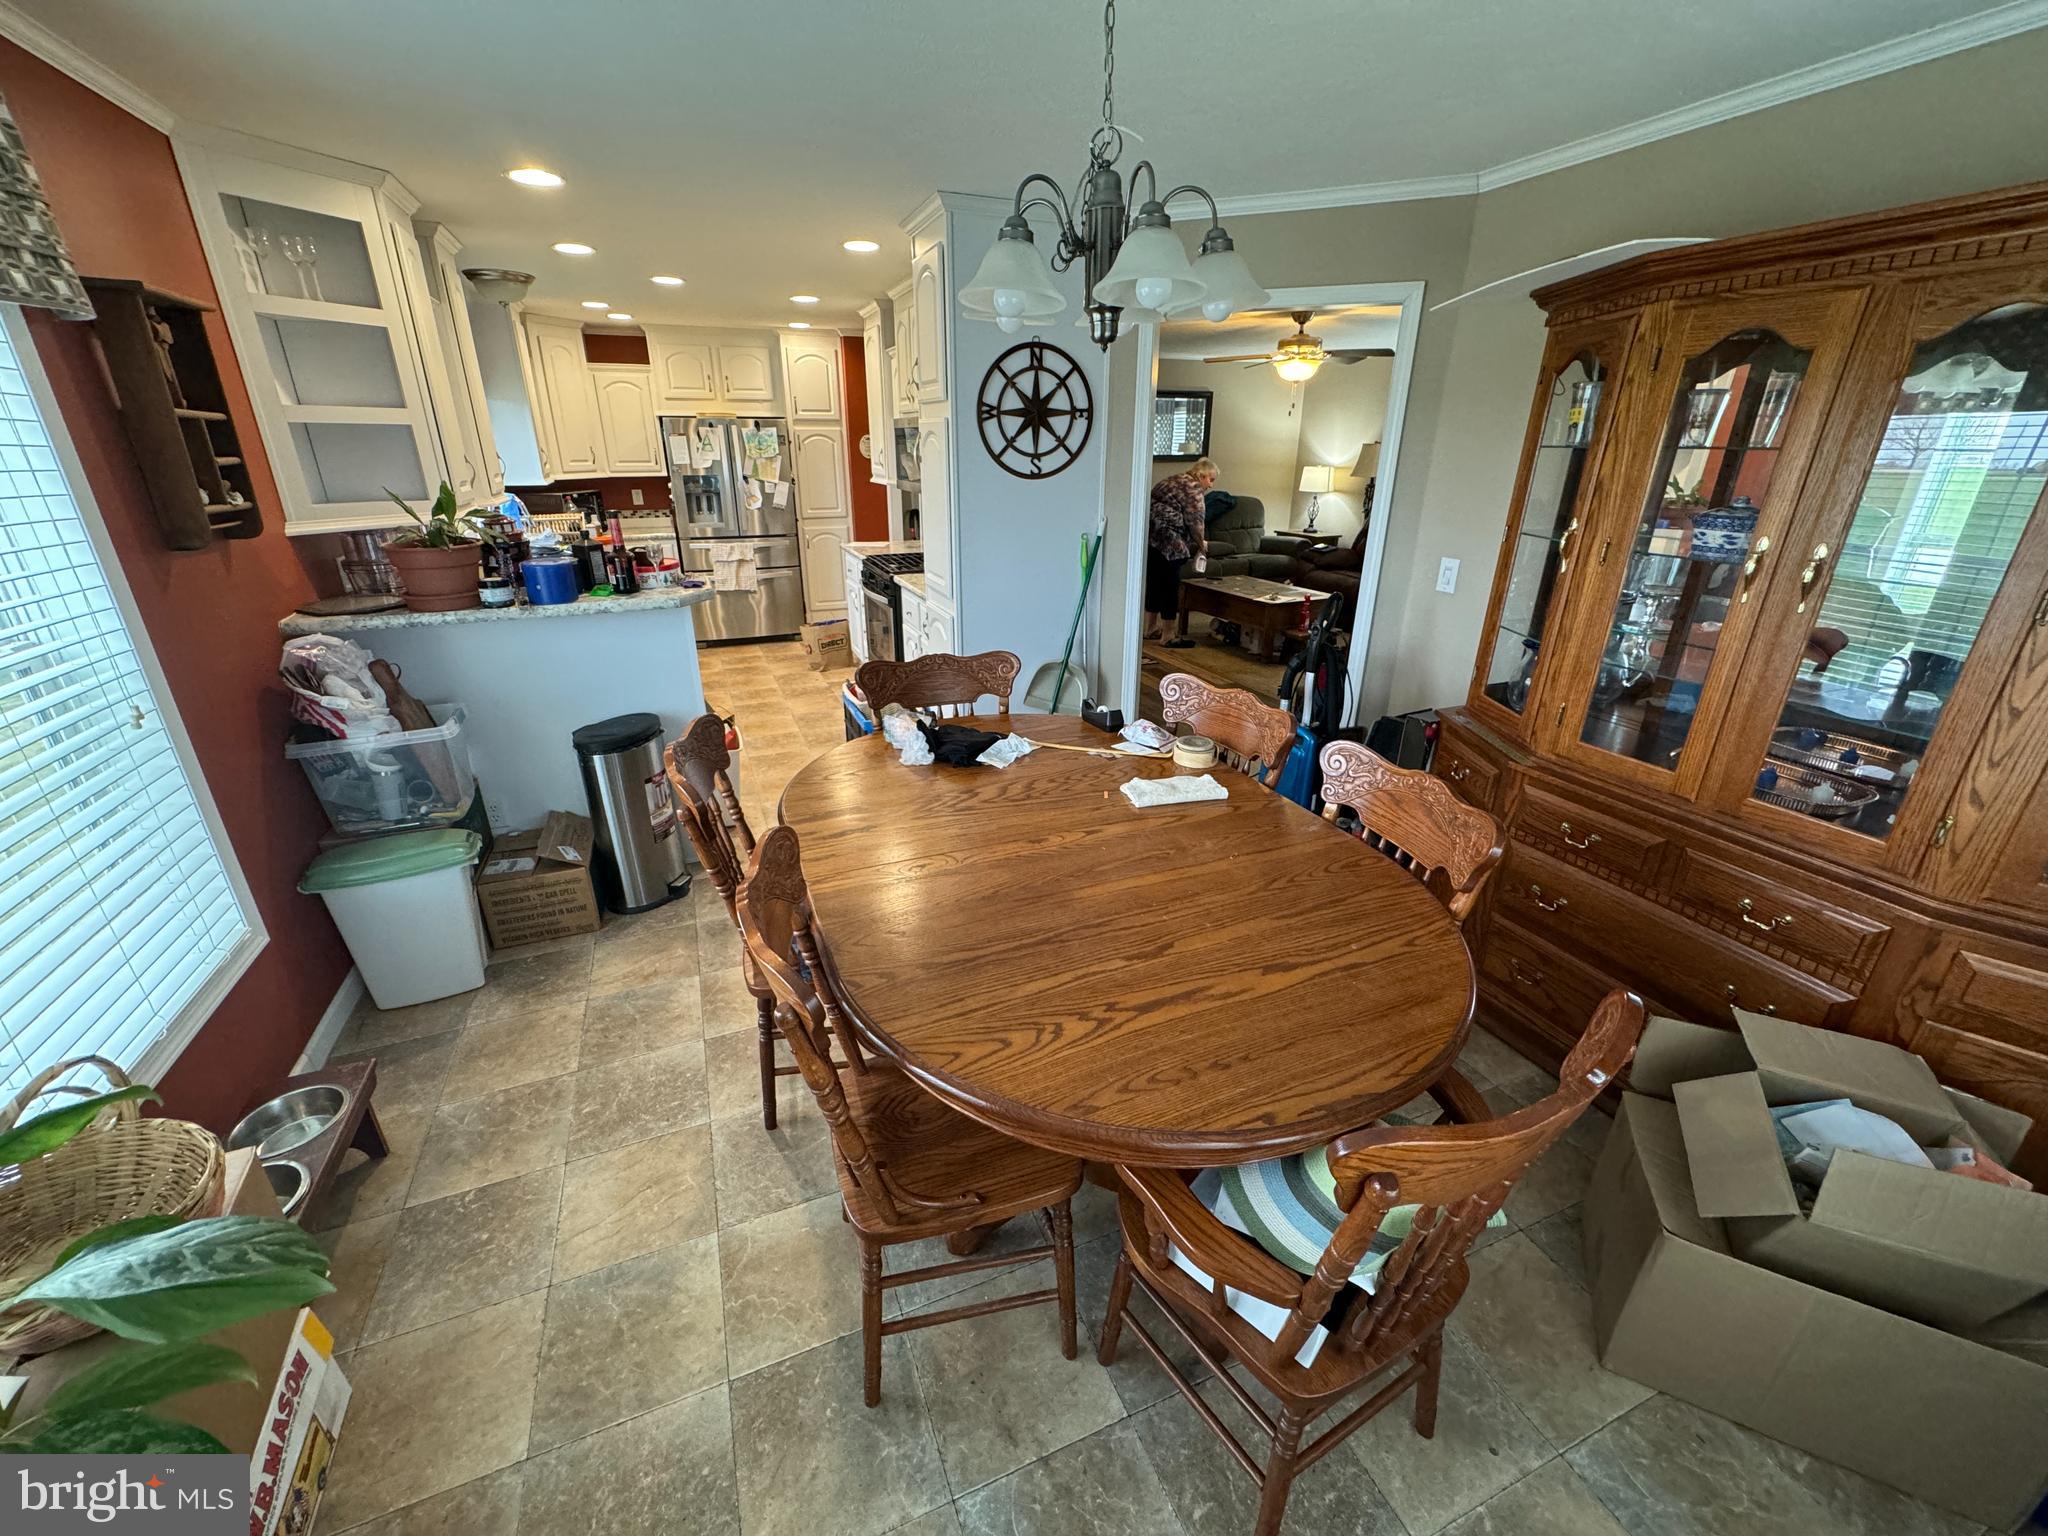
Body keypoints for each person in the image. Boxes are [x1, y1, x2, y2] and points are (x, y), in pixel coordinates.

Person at [1146, 457, 1218, 643]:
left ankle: (1150, 627)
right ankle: (1168, 635)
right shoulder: (1193, 488)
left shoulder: (1171, 480)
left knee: (1154, 583)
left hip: (1150, 537)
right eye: (1211, 479)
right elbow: (1196, 522)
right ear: (1201, 475)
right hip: (1170, 541)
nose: (1210, 485)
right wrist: (1202, 546)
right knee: (1170, 586)